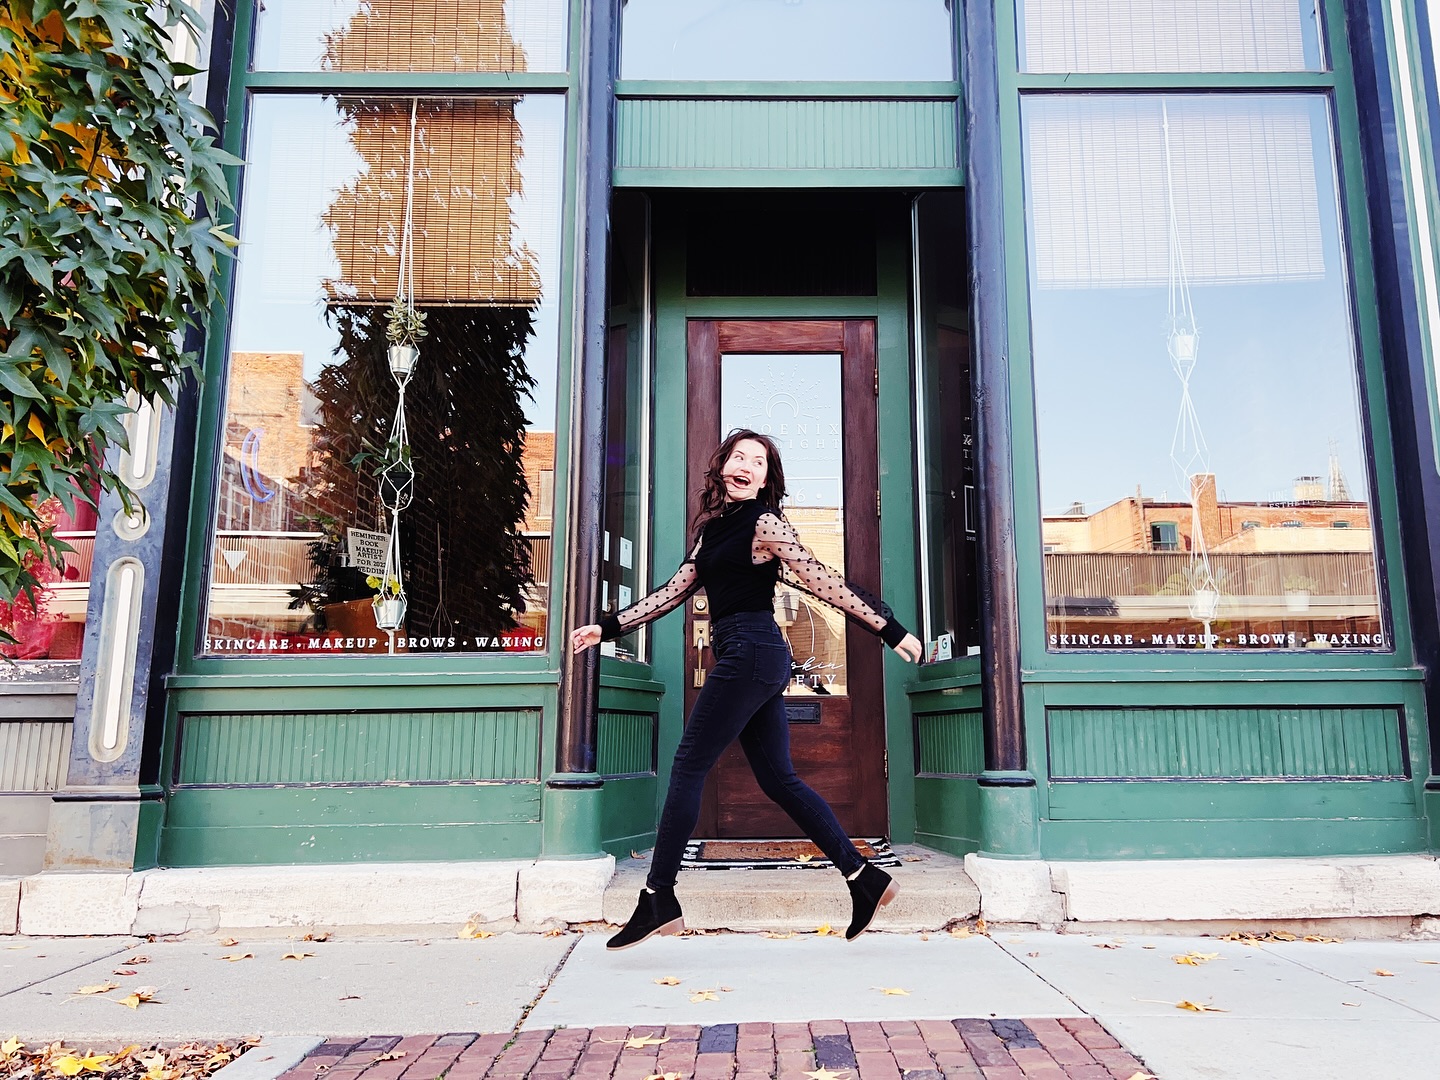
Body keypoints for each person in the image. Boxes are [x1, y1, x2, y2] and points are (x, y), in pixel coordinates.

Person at [571, 429, 923, 951]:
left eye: (758, 462)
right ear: (722, 467)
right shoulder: (711, 531)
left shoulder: (765, 523)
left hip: (752, 652)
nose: (746, 466)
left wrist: (888, 629)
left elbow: (819, 577)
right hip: (746, 654)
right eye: (739, 456)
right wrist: (610, 627)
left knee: (689, 764)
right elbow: (672, 592)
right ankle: (864, 878)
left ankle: (657, 896)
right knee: (779, 779)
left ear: (765, 479)